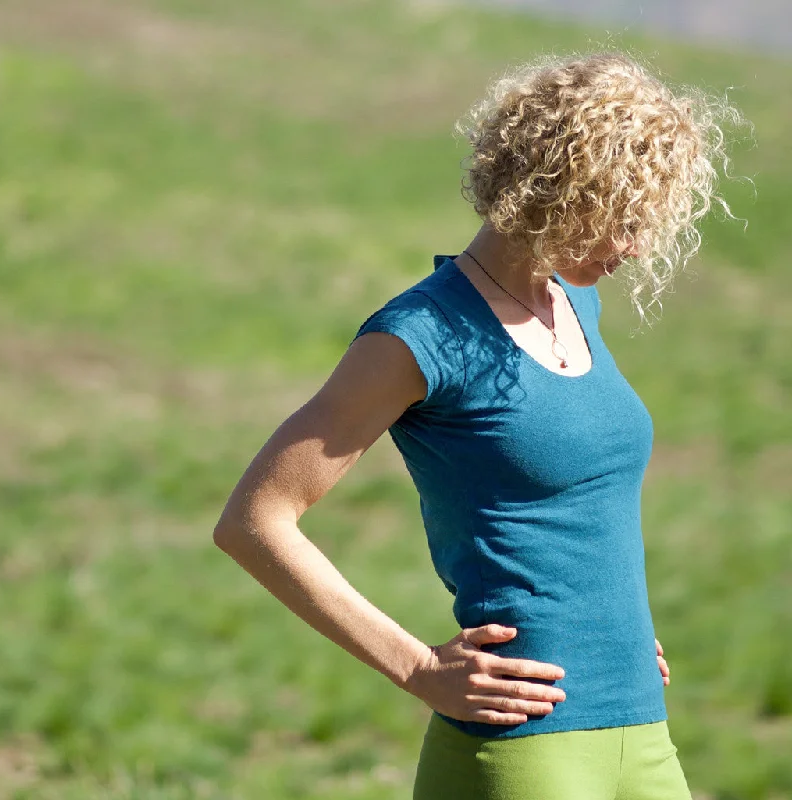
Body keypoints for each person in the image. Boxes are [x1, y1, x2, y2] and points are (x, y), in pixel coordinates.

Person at [213, 52, 745, 799]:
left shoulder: (572, 305)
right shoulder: (415, 337)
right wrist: (419, 668)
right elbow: (254, 521)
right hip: (528, 751)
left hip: (642, 728)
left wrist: (615, 633)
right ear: (558, 189)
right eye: (620, 216)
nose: (633, 246)